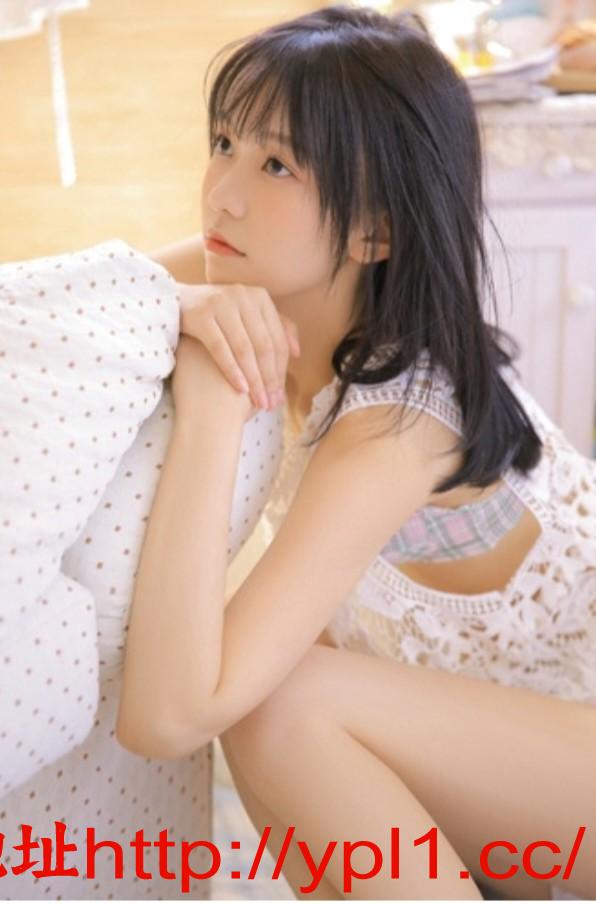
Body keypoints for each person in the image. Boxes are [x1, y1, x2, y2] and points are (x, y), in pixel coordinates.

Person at [116, 5, 596, 900]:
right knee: (275, 690)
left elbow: (166, 717)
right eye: (224, 143)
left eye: (276, 165)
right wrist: (181, 308)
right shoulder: (252, 270)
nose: (222, 192)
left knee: (277, 703)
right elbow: (57, 296)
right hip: (505, 753)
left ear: (376, 232)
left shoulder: (396, 424)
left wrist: (212, 403)